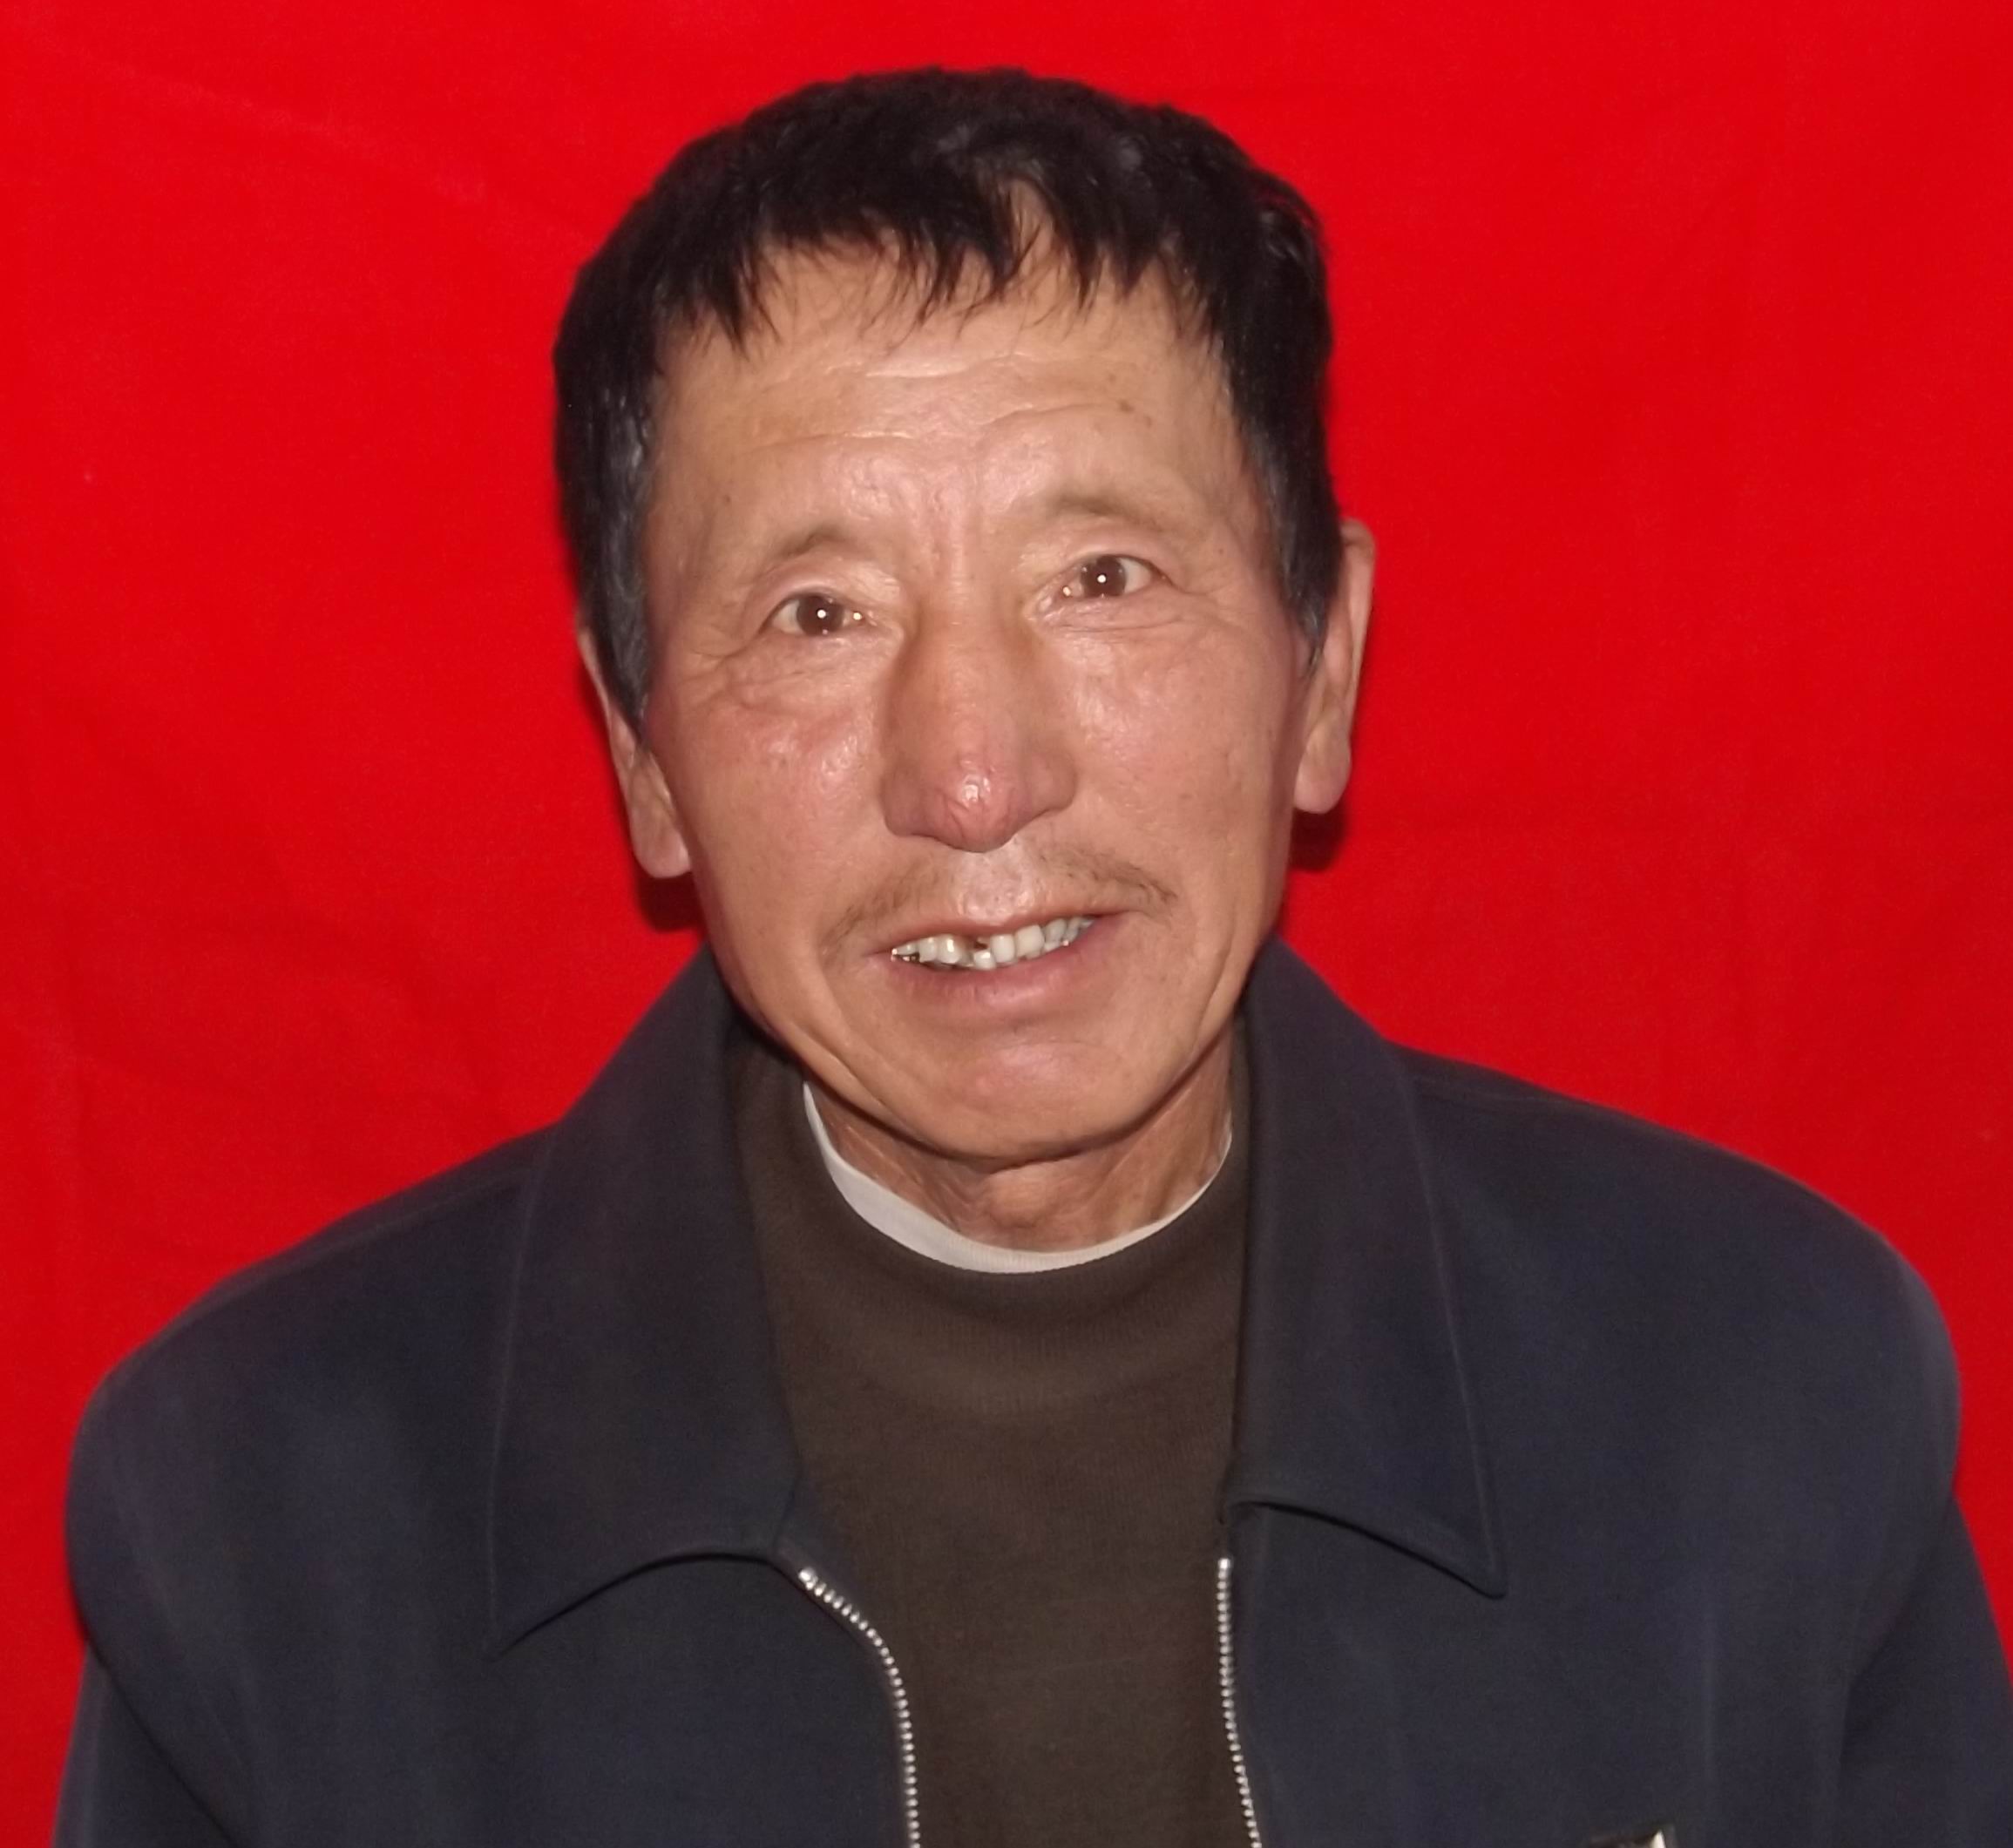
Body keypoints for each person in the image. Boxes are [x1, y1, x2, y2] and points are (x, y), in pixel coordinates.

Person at [56, 66, 2013, 1848]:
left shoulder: (1768, 1391)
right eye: (819, 614)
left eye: (1101, 577)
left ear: (1324, 668)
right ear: (646, 758)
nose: (976, 776)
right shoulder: (256, 1516)